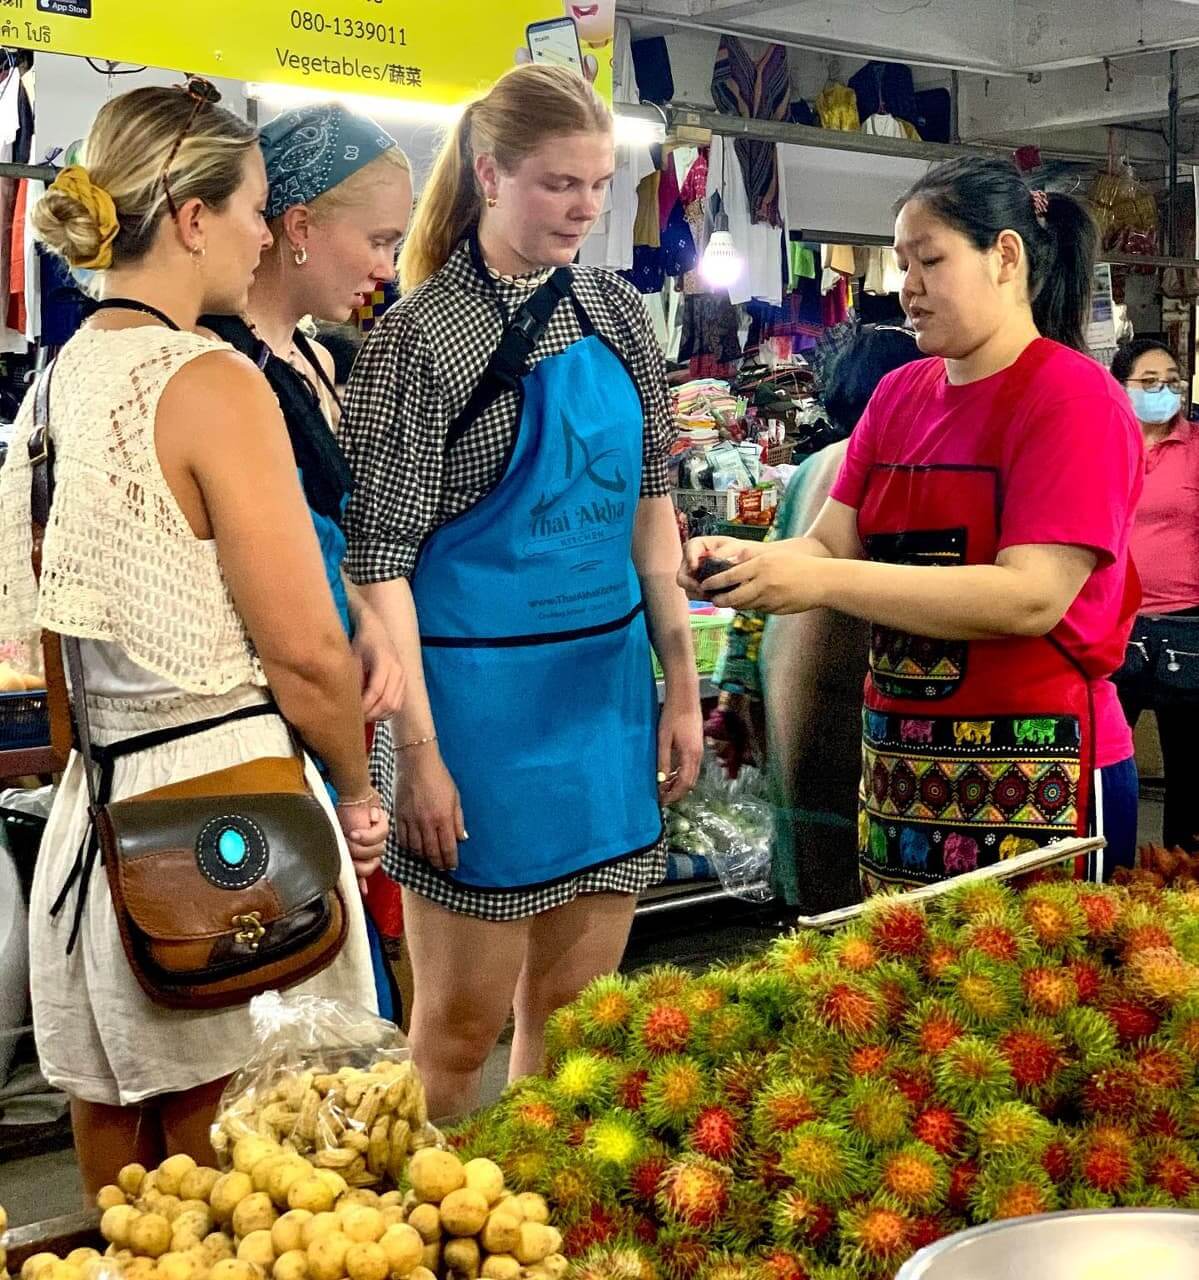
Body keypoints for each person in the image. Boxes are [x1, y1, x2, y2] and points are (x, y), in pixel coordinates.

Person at [0, 81, 384, 1194]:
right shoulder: (211, 381)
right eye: (258, 206)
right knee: (271, 1190)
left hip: (96, 821)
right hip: (228, 810)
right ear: (191, 215)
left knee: (133, 1193)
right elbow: (307, 648)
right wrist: (358, 797)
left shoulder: (54, 384)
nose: (267, 231)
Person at [340, 63, 702, 1120]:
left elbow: (651, 519)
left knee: (582, 1014)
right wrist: (416, 755)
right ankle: (434, 1230)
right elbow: (378, 564)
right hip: (468, 719)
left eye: (596, 184)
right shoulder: (418, 338)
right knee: (457, 1026)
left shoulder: (619, 314)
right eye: (558, 184)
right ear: (490, 174)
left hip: (600, 702)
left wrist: (677, 684)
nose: (584, 209)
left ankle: (542, 1218)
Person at [682, 156, 1144, 891]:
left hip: (1039, 767)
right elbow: (829, 544)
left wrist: (822, 576)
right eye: (903, 265)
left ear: (1004, 256)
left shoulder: (1072, 399)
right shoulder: (899, 395)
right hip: (899, 768)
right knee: (898, 995)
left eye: (929, 261)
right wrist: (746, 562)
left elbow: (1031, 597)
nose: (908, 288)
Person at [200, 103, 412, 1021]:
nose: (386, 267)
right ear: (296, 228)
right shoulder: (218, 370)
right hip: (277, 728)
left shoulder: (322, 360)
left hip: (342, 708)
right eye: (377, 238)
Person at [709, 325, 922, 914]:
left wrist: (735, 692)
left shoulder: (811, 468)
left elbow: (757, 594)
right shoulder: (898, 468)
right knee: (859, 873)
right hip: (854, 685)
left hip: (789, 677)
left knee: (810, 861)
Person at [1111, 339, 1199, 850]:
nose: (1164, 389)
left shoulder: (1196, 449)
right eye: (1149, 381)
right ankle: (1106, 868)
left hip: (1188, 626)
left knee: (1189, 769)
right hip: (1117, 625)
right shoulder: (1103, 445)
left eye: (1171, 379)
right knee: (1106, 757)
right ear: (1122, 388)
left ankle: (1181, 884)